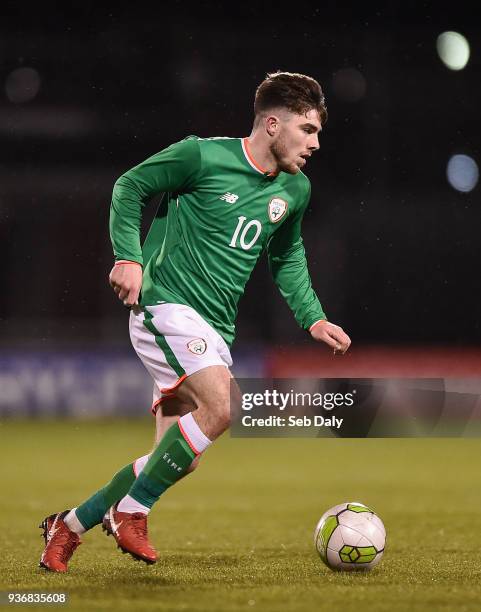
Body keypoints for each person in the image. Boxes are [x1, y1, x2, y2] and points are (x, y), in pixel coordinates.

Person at [39, 71, 351, 572]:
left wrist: (312, 318)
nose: (316, 143)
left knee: (175, 457)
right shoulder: (202, 156)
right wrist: (128, 257)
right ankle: (131, 512)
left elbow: (287, 255)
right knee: (226, 404)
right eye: (308, 130)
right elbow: (130, 185)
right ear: (273, 124)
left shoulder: (296, 190)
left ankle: (69, 526)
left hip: (214, 331)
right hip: (166, 306)